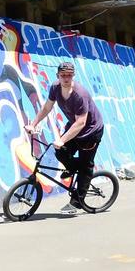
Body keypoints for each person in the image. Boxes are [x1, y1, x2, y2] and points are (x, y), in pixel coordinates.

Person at [23, 61, 104, 212]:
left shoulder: (80, 94)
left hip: (90, 132)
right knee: (60, 151)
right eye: (63, 75)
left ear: (73, 76)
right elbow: (47, 107)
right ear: (58, 76)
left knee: (86, 166)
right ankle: (75, 168)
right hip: (74, 128)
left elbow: (81, 123)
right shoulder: (55, 88)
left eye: (69, 75)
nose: (66, 79)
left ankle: (76, 203)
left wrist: (61, 139)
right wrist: (33, 124)